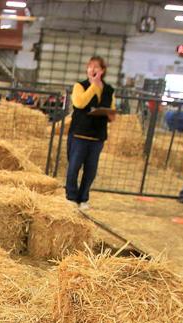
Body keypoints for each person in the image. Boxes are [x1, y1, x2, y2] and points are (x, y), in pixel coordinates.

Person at [65, 55, 115, 210]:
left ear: (103, 70)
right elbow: (79, 103)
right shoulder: (80, 86)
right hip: (79, 133)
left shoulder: (109, 90)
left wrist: (110, 114)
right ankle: (71, 196)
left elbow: (111, 109)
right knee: (74, 167)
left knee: (91, 170)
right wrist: (93, 86)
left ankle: (83, 197)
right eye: (90, 66)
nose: (92, 69)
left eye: (96, 67)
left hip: (98, 136)